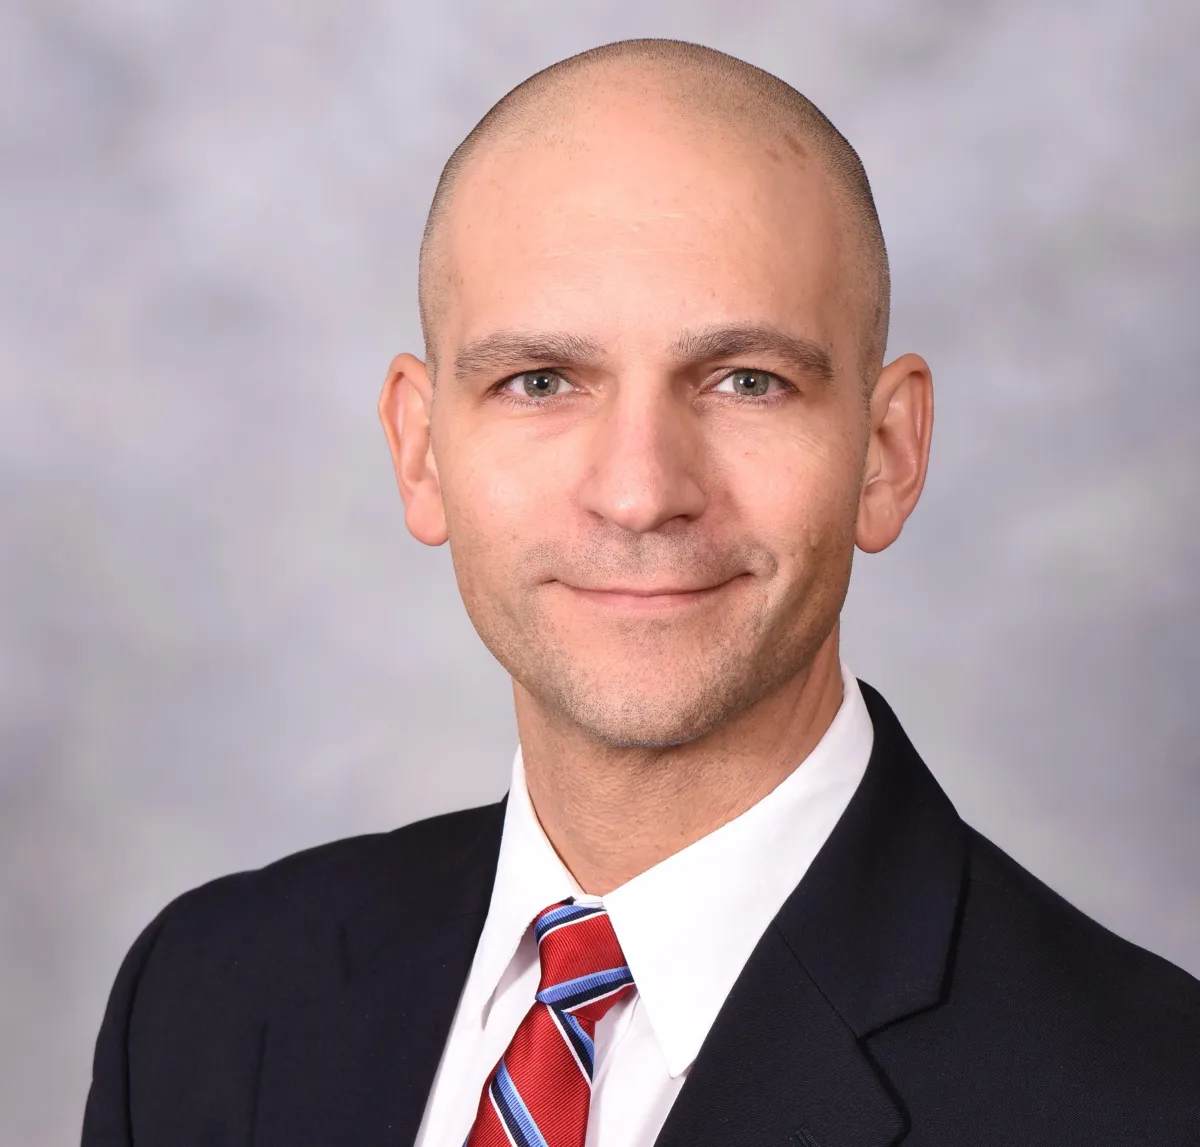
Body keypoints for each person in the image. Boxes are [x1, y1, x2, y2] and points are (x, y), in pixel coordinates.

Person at [82, 39, 1200, 1147]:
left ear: (887, 454)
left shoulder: (1148, 1101)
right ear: (420, 452)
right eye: (540, 381)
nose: (639, 492)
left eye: (747, 381)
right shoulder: (205, 1002)